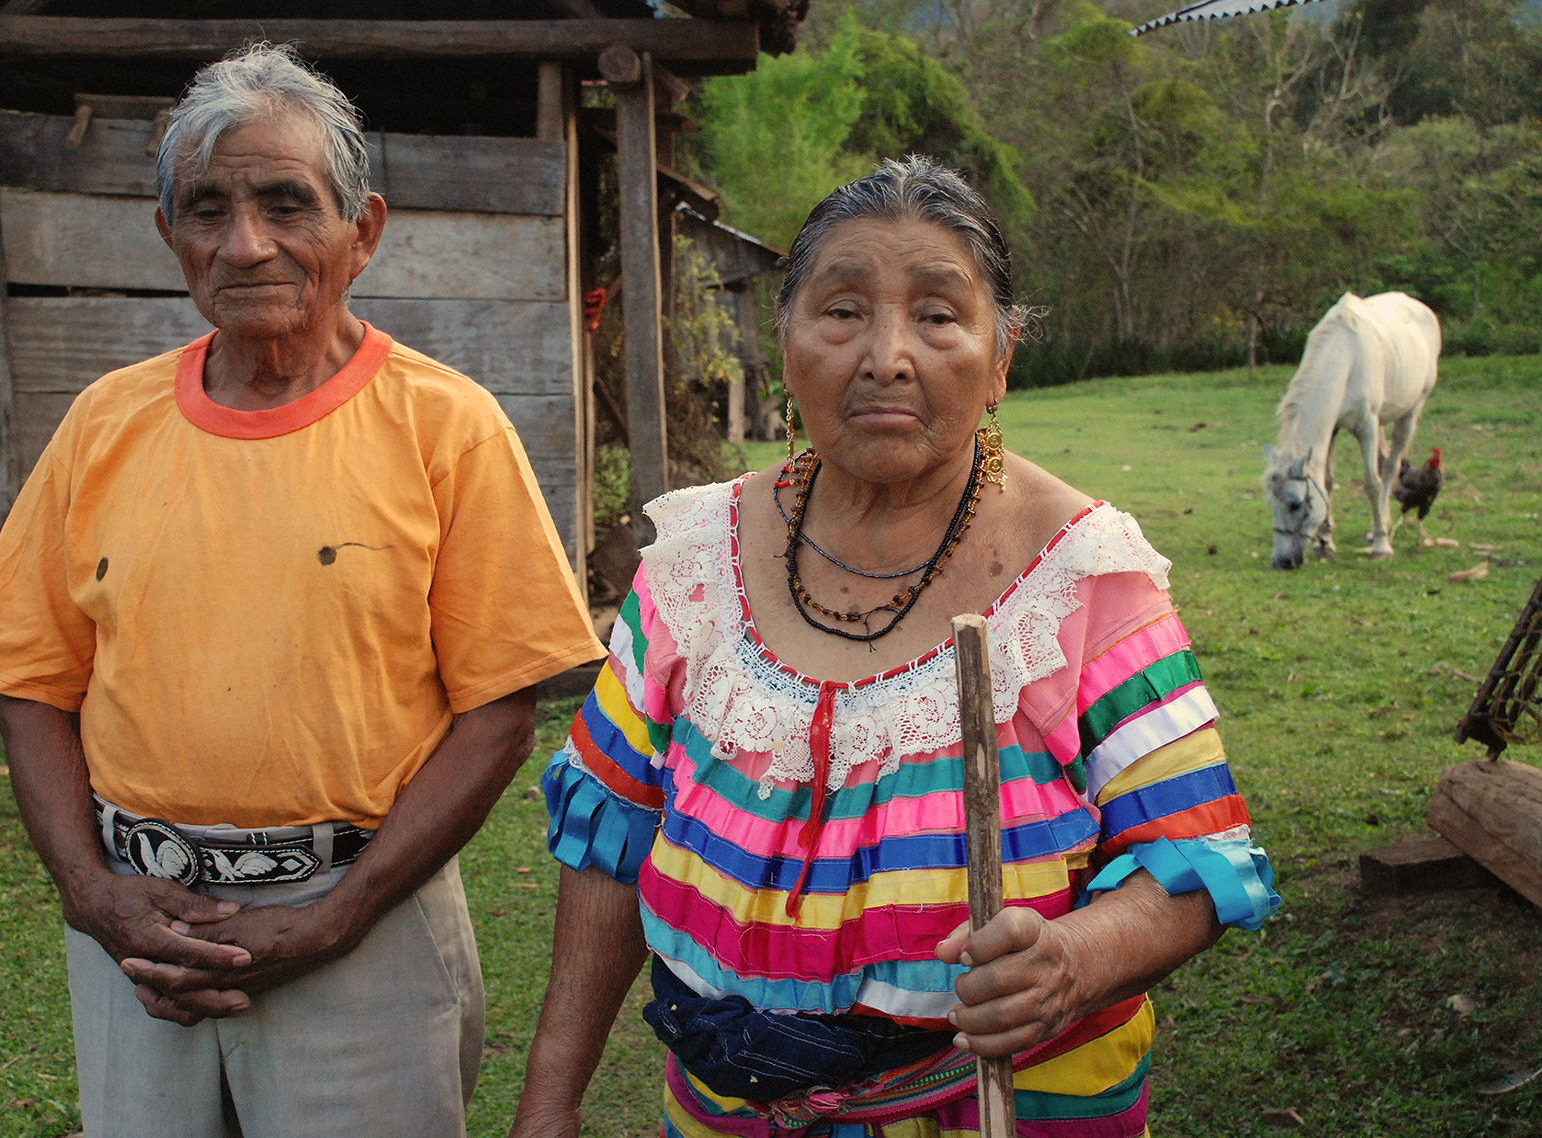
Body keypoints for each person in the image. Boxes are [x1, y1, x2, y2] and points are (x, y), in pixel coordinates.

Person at [510, 157, 1278, 1138]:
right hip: (724, 1107)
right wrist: (548, 1097)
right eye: (839, 312)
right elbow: (610, 836)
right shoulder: (694, 562)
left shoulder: (1079, 575)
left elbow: (1192, 858)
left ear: (999, 358)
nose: (885, 355)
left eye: (936, 315)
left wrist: (1070, 958)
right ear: (784, 343)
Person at [0, 44, 604, 1138]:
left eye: (286, 203)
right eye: (207, 208)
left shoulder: (447, 427)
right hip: (135, 929)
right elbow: (28, 680)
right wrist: (90, 891)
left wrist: (341, 913)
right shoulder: (103, 425)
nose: (245, 243)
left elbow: (498, 714)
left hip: (365, 923)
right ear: (170, 238)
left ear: (362, 232)